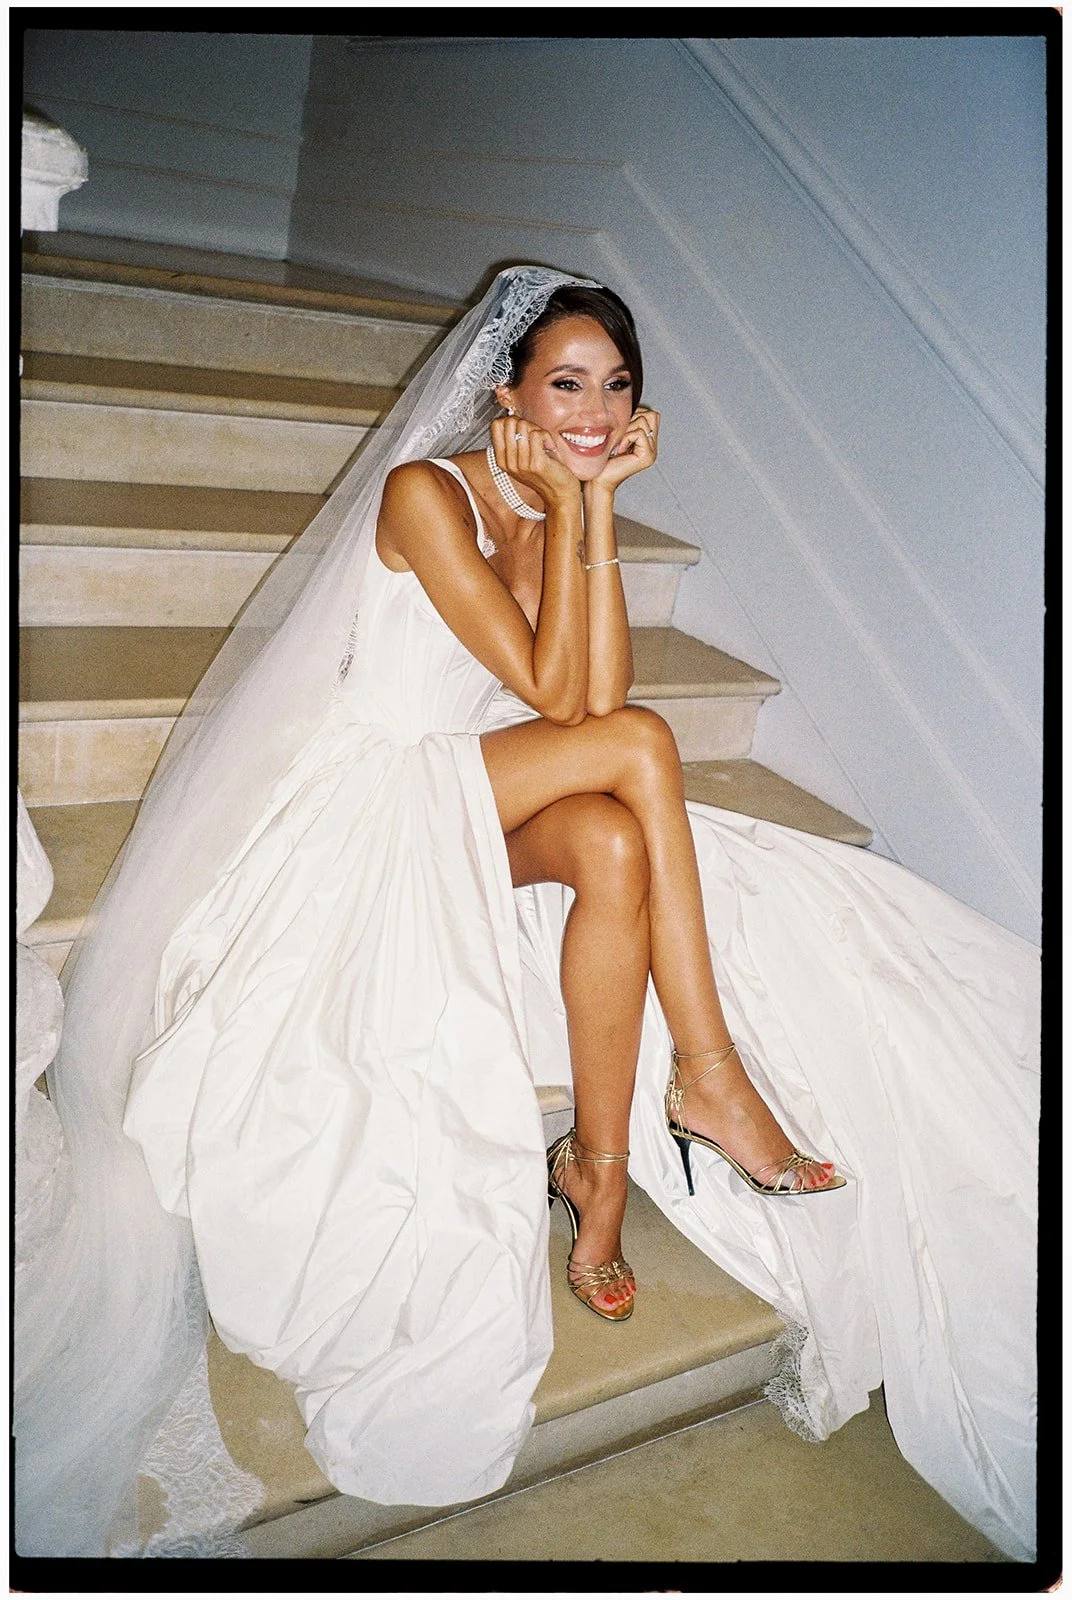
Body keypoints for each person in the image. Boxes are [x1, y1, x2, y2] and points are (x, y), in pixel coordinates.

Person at [15, 267, 1038, 1563]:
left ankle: (596, 1179)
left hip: (475, 786)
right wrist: (593, 500)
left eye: (617, 390)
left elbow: (588, 693)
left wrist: (581, 511)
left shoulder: (544, 505)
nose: (596, 412)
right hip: (371, 796)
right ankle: (708, 1078)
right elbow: (575, 706)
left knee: (617, 829)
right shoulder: (425, 497)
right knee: (642, 754)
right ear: (505, 392)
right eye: (567, 385)